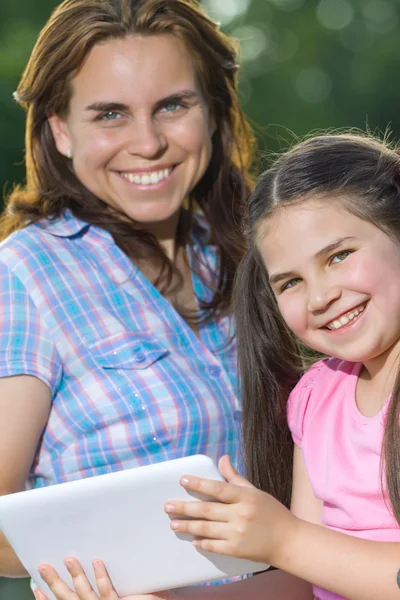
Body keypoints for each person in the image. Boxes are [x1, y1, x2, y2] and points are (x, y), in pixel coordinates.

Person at [37, 132, 400, 600]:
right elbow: (305, 581)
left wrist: (284, 538)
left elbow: (301, 550)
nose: (319, 296)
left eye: (339, 256)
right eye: (290, 282)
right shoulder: (315, 397)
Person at [0, 0, 256, 583]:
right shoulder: (25, 276)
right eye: (110, 113)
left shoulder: (256, 258)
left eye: (172, 105)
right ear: (60, 130)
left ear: (213, 111)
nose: (147, 142)